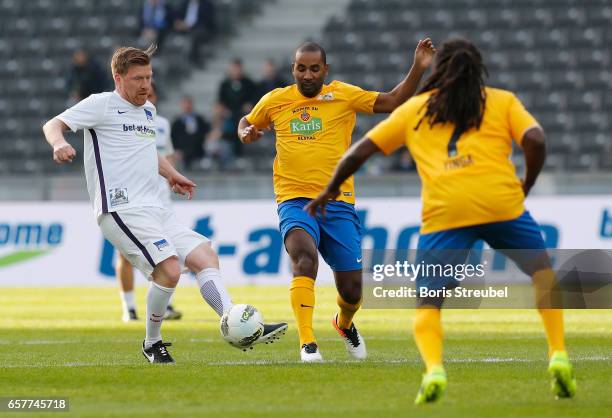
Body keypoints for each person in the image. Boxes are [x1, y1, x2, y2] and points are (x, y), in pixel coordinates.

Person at [305, 38, 575, 402]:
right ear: (478, 69)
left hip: (447, 210)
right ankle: (558, 354)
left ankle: (434, 368)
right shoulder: (501, 101)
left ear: (439, 70)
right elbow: (537, 139)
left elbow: (360, 151)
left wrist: (329, 189)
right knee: (543, 273)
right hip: (502, 203)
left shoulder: (417, 109)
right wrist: (526, 182)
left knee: (428, 302)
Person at [42, 45, 287, 364]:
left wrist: (173, 174)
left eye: (149, 77)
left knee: (205, 256)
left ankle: (234, 321)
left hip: (156, 209)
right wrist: (60, 143)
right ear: (119, 79)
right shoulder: (100, 105)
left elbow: (147, 151)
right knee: (169, 269)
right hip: (120, 209)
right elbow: (53, 124)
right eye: (138, 78)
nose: (146, 85)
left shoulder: (148, 113)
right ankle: (152, 342)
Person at [238, 39, 436, 362]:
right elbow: (246, 121)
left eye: (314, 68)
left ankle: (344, 324)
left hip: (338, 204)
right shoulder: (275, 100)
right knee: (304, 258)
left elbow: (395, 100)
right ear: (293, 69)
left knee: (352, 291)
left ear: (325, 70)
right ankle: (307, 343)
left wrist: (418, 67)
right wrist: (245, 132)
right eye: (301, 68)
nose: (307, 74)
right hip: (294, 199)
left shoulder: (343, 95)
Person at [116, 81, 182, 322]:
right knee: (125, 255)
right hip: (133, 195)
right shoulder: (124, 122)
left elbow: (169, 155)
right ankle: (129, 307)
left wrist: (174, 178)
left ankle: (167, 305)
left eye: (151, 94)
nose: (147, 98)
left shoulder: (162, 124)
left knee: (167, 251)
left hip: (161, 198)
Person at [219, 58, 258, 159]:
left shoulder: (249, 83)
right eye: (234, 68)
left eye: (238, 68)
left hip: (245, 115)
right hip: (229, 115)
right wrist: (224, 110)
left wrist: (250, 106)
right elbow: (220, 102)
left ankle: (242, 155)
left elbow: (255, 100)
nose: (236, 71)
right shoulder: (224, 85)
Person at [171, 96, 210, 170]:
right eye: (185, 104)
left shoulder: (199, 119)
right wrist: (176, 150)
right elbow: (173, 137)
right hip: (182, 151)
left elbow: (206, 132)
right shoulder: (177, 122)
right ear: (181, 105)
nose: (187, 106)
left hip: (198, 150)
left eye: (189, 104)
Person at [174, 0, 216, 66]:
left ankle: (193, 59)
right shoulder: (185, 3)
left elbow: (207, 21)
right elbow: (177, 15)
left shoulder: (207, 5)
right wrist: (178, 22)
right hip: (184, 27)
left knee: (196, 35)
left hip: (200, 29)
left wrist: (190, 26)